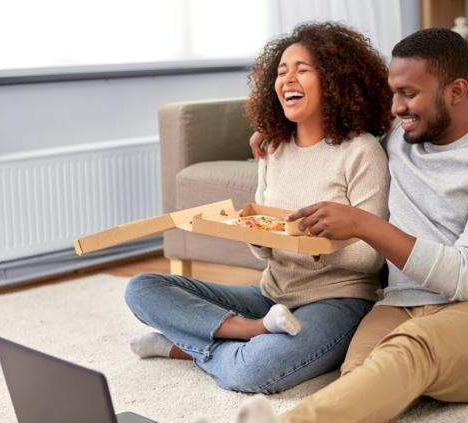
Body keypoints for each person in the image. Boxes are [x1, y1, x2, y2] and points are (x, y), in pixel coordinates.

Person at [188, 28, 468, 423]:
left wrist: (364, 225)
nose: (396, 109)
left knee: (409, 349)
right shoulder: (400, 136)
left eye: (409, 94)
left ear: (456, 91)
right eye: (394, 93)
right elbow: (334, 126)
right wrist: (274, 132)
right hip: (399, 304)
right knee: (361, 386)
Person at [124, 22, 392, 394]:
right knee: (141, 288)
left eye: (302, 69)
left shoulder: (361, 152)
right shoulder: (273, 149)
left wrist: (315, 245)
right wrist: (255, 233)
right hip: (270, 298)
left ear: (334, 80)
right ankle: (249, 330)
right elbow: (263, 249)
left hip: (338, 301)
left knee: (252, 371)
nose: (287, 79)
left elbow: (370, 259)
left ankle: (180, 347)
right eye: (281, 72)